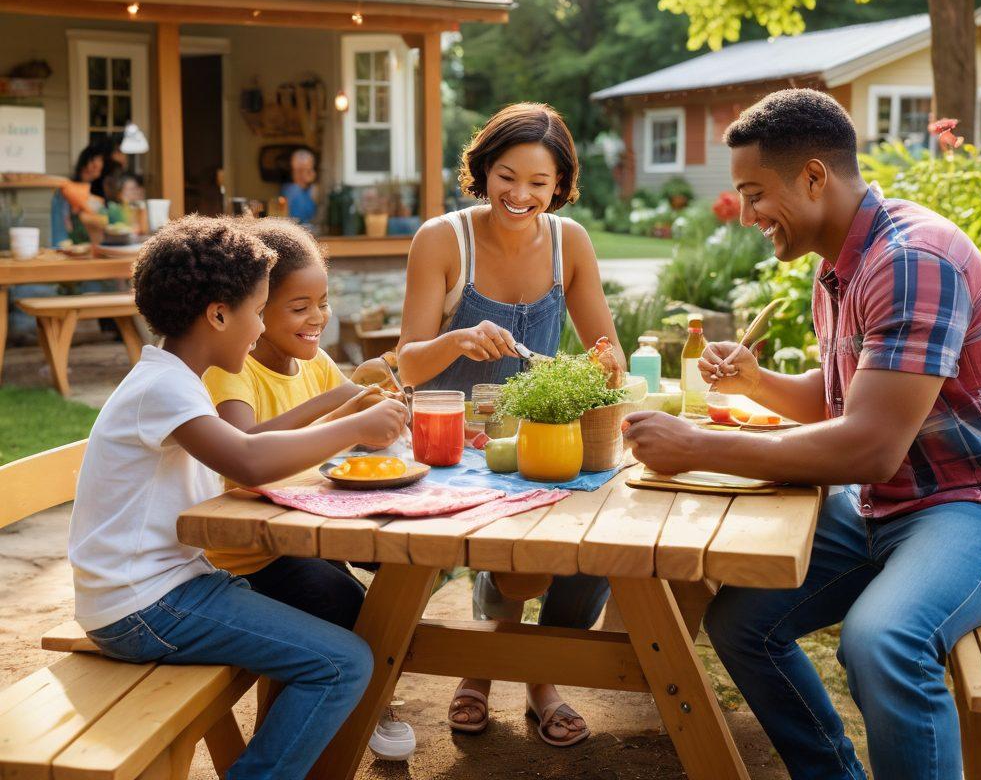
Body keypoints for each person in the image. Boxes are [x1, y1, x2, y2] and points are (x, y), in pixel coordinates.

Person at [621, 89, 981, 780]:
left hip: (980, 507)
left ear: (814, 176)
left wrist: (696, 448)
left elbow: (870, 445)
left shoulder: (909, 261)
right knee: (744, 624)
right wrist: (758, 382)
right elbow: (847, 396)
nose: (747, 215)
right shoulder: (839, 263)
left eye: (754, 193)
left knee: (883, 641)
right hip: (887, 504)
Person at [68, 215, 410, 779]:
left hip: (169, 590)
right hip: (143, 607)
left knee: (333, 618)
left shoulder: (174, 379)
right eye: (257, 311)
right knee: (344, 662)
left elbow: (251, 456)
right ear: (219, 314)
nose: (258, 329)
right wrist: (352, 426)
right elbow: (250, 463)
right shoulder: (166, 387)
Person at [398, 102, 626, 747]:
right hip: (453, 446)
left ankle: (529, 674)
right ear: (482, 170)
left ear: (560, 185)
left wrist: (605, 366)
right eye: (506, 175)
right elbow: (409, 364)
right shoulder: (443, 240)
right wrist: (459, 339)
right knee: (509, 563)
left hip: (539, 437)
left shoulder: (569, 242)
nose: (520, 195)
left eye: (538, 182)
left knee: (598, 550)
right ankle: (495, 675)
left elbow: (604, 351)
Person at [203, 217, 416, 761]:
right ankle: (364, 708)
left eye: (322, 302)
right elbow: (243, 446)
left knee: (404, 563)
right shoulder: (232, 372)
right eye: (299, 308)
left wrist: (388, 410)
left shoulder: (313, 360)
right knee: (341, 599)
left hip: (301, 532)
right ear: (254, 310)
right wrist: (337, 405)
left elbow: (358, 403)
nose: (318, 318)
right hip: (244, 557)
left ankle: (365, 695)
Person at [52, 144, 105, 245]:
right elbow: (62, 224)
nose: (101, 164)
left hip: (88, 246)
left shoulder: (93, 188)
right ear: (89, 163)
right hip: (69, 246)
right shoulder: (67, 189)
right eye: (99, 160)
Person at [281, 148, 318, 227]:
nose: (303, 175)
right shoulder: (291, 190)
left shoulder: (314, 190)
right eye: (299, 171)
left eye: (308, 170)